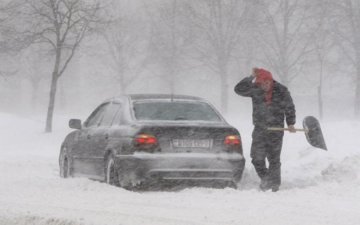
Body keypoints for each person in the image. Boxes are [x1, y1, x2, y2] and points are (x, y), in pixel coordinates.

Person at [234, 68, 296, 192]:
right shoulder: (256, 89)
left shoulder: (281, 90)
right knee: (256, 158)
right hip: (260, 129)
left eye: (266, 83)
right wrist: (251, 76)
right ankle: (266, 178)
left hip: (276, 129)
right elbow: (238, 89)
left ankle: (275, 185)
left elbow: (289, 107)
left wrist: (290, 123)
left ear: (270, 80)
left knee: (274, 159)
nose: (264, 86)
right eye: (261, 83)